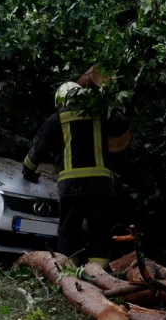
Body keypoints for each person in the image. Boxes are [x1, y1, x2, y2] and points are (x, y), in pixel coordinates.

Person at [22, 82, 116, 268]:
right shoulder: (100, 113)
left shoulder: (57, 119)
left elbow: (38, 149)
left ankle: (68, 276)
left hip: (71, 187)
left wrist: (28, 171)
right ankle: (100, 277)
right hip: (100, 186)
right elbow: (121, 128)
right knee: (99, 232)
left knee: (69, 231)